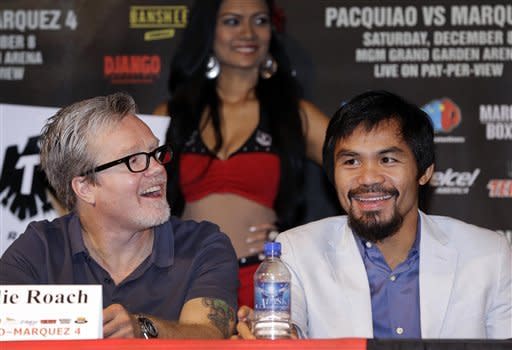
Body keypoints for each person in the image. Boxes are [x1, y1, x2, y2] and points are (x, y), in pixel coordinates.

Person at [235, 90, 512, 339]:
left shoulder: (490, 256)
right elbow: (287, 333)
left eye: (387, 159)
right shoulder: (296, 251)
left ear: (425, 171)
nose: (367, 178)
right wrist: (272, 338)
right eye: (351, 161)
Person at [0, 92, 239, 339]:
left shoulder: (203, 245)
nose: (158, 169)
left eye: (155, 153)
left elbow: (209, 335)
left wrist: (142, 329)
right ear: (86, 187)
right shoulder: (40, 249)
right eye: (134, 160)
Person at [153, 0, 329, 307]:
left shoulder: (295, 115)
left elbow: (359, 170)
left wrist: (299, 241)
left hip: (262, 283)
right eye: (233, 21)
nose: (248, 32)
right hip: (186, 281)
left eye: (260, 21)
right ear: (210, 32)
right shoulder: (173, 115)